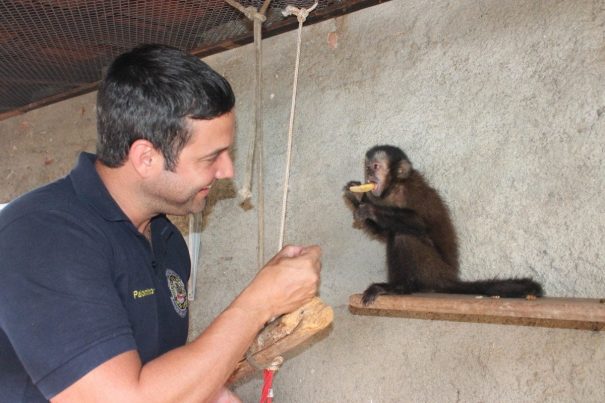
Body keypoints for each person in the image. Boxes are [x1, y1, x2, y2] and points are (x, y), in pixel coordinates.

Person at [0, 44, 322, 402]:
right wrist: (258, 303)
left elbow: (155, 379)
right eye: (211, 157)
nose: (227, 171)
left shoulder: (167, 241)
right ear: (146, 157)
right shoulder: (43, 235)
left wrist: (208, 393)